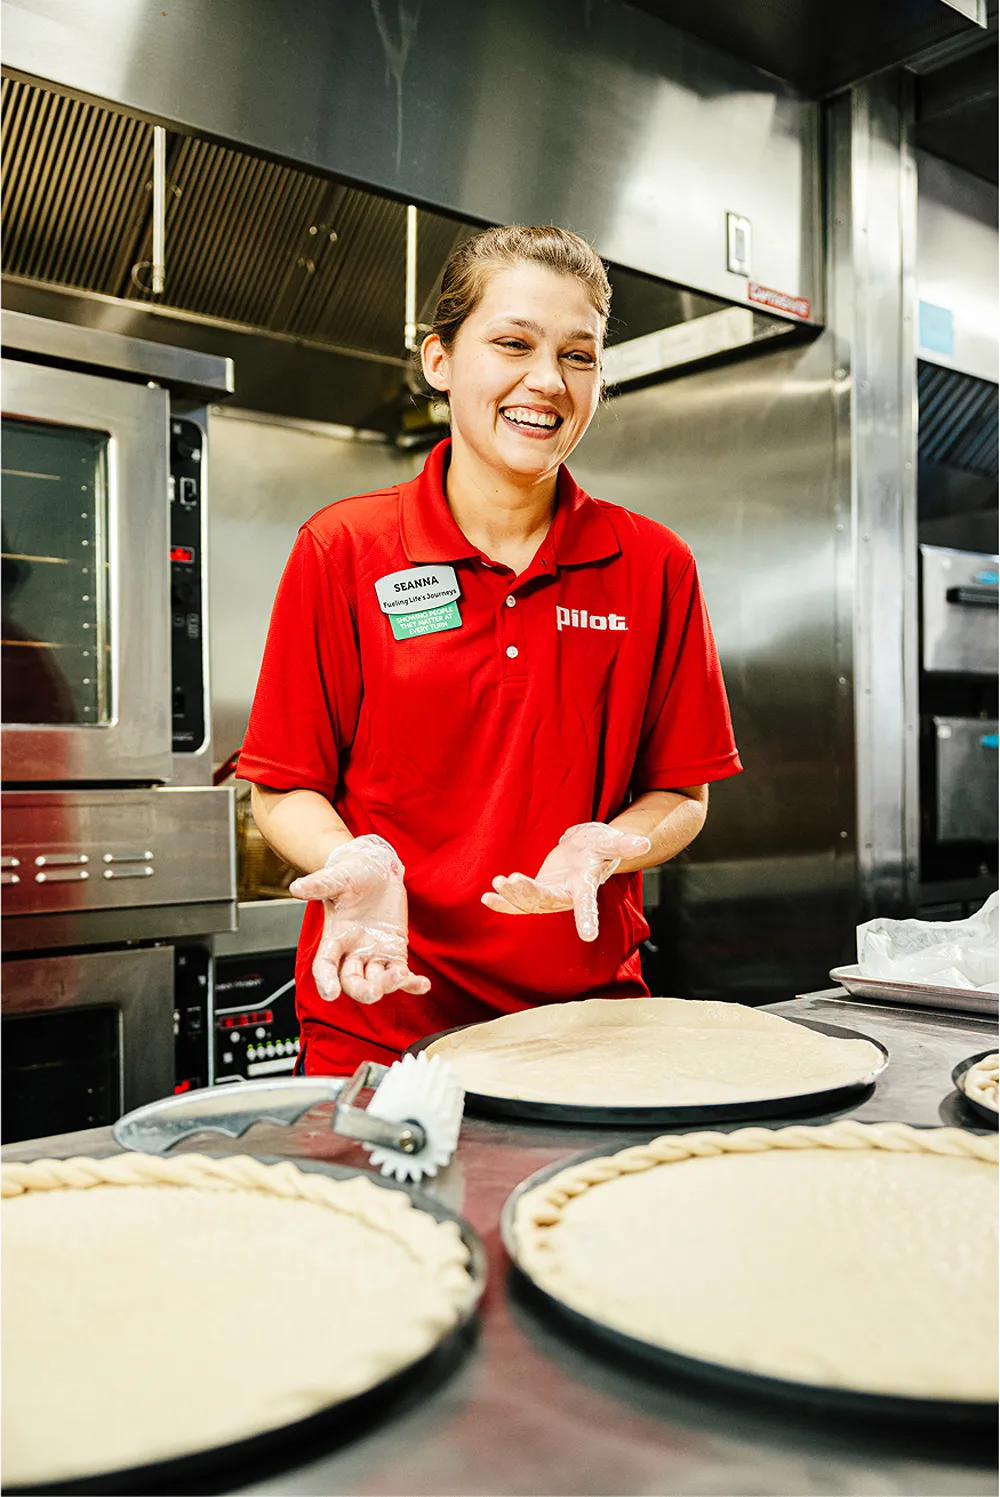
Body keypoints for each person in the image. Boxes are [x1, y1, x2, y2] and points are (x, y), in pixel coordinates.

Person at [237, 225, 742, 1075]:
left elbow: (680, 792)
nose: (547, 380)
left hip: (586, 1032)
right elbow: (283, 788)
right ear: (439, 360)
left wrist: (611, 844)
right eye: (513, 343)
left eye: (578, 356)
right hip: (380, 1018)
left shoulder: (654, 565)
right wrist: (350, 858)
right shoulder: (345, 549)